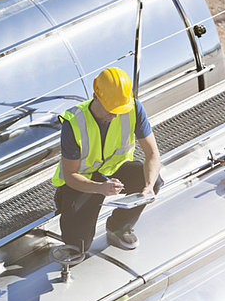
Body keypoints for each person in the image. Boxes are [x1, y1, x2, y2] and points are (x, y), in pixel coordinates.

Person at [51, 67, 163, 251]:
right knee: (78, 244)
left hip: (114, 172)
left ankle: (118, 228)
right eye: (111, 109)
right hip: (82, 181)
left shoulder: (133, 108)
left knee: (154, 179)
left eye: (119, 110)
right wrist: (100, 189)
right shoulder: (74, 122)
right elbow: (70, 175)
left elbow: (153, 155)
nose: (115, 115)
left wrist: (148, 187)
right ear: (96, 96)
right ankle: (65, 201)